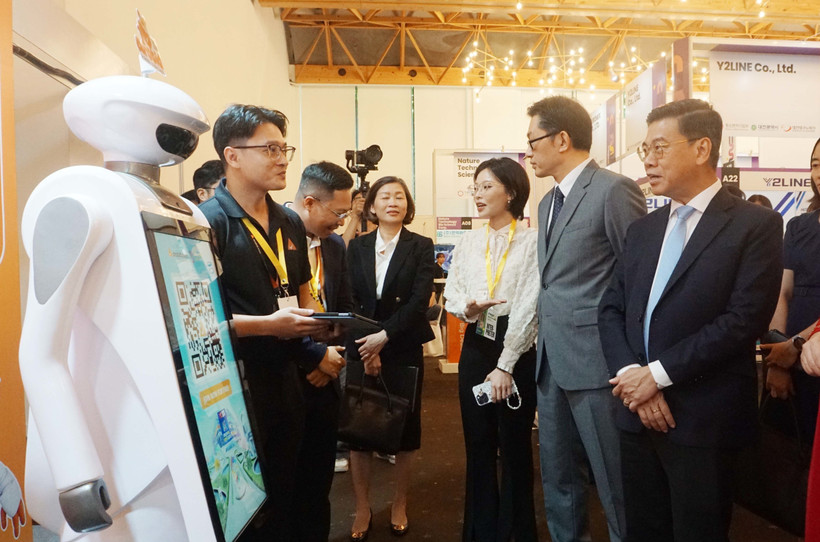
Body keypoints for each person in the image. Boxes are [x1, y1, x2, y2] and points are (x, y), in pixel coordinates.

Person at [598, 99, 783, 542]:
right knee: (644, 529)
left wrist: (658, 376)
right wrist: (633, 378)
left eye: (659, 147)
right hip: (635, 413)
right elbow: (611, 308)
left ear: (702, 149)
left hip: (702, 420)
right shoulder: (643, 229)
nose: (647, 159)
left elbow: (744, 319)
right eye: (645, 148)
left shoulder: (754, 225)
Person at [199, 104, 345, 541]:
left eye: (285, 148)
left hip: (294, 379)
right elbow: (203, 324)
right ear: (233, 155)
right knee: (254, 506)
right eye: (271, 148)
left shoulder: (287, 222)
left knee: (299, 491)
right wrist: (271, 326)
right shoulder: (209, 223)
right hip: (240, 389)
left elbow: (303, 297)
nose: (283, 158)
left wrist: (319, 344)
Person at [526, 95, 645, 542]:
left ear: (562, 138)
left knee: (614, 482)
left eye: (533, 141)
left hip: (597, 363)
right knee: (557, 480)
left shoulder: (613, 190)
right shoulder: (545, 204)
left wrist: (630, 362)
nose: (529, 153)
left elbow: (635, 278)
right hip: (550, 362)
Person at [444, 157, 539, 542]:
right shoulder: (468, 241)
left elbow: (531, 304)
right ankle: (481, 531)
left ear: (511, 192)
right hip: (477, 344)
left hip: (517, 348)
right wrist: (466, 307)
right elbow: (452, 292)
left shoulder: (533, 241)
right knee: (478, 443)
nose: (478, 195)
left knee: (515, 445)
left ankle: (517, 531)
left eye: (487, 187)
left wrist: (505, 365)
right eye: (476, 187)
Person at [345, 176, 434, 540]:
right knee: (359, 428)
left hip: (402, 345)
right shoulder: (357, 247)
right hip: (361, 344)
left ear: (407, 205)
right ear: (372, 206)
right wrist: (368, 347)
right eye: (385, 196)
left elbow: (418, 301)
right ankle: (363, 506)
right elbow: (348, 298)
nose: (393, 202)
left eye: (400, 196)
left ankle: (399, 501)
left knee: (405, 431)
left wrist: (384, 337)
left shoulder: (421, 246)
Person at [290, 161, 355, 541]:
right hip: (291, 377)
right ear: (311, 203)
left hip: (328, 376)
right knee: (288, 482)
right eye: (338, 213)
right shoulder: (279, 236)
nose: (341, 222)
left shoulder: (334, 245)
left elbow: (343, 309)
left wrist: (334, 359)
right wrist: (313, 358)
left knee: (318, 482)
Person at [761, 138, 820, 442]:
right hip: (791, 356)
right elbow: (782, 293)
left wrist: (793, 347)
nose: (819, 172)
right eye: (815, 164)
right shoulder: (798, 227)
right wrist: (779, 353)